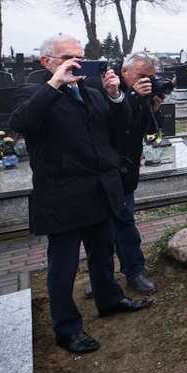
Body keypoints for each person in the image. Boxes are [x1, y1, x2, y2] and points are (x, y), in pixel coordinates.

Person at [9, 36, 153, 354]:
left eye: (79, 56)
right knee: (63, 265)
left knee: (103, 252)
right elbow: (20, 122)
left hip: (100, 188)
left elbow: (120, 127)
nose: (75, 62)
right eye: (66, 58)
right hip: (63, 194)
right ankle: (67, 328)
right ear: (47, 62)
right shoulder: (32, 93)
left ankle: (109, 300)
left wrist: (116, 95)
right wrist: (55, 85)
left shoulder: (92, 90)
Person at [84, 51, 164, 297]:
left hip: (127, 169)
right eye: (141, 75)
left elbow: (147, 129)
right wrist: (130, 95)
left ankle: (135, 272)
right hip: (99, 169)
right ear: (124, 70)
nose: (146, 81)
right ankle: (102, 277)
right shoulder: (95, 86)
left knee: (125, 222)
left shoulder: (143, 93)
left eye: (151, 77)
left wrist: (153, 107)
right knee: (98, 228)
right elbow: (109, 122)